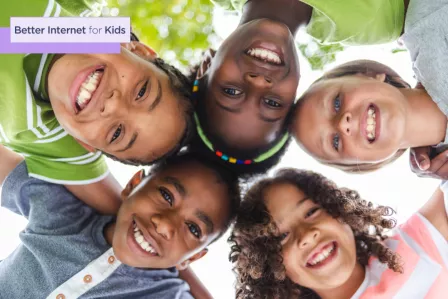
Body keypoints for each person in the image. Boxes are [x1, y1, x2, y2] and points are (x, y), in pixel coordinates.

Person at [0, 0, 194, 214]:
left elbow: (124, 214)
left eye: (117, 133)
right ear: (138, 50)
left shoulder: (47, 134)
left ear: (83, 143)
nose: (111, 105)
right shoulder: (75, 12)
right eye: (141, 92)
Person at [0, 149, 240, 299]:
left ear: (192, 258)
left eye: (194, 228)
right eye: (166, 196)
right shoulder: (64, 212)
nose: (164, 225)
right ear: (133, 185)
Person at [229, 168, 448, 298]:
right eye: (281, 237)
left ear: (341, 210)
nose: (306, 235)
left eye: (312, 212)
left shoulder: (413, 248)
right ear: (269, 268)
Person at [291, 60, 448, 173]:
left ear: (368, 74)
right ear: (366, 163)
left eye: (336, 103)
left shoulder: (428, 29)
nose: (342, 125)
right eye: (335, 142)